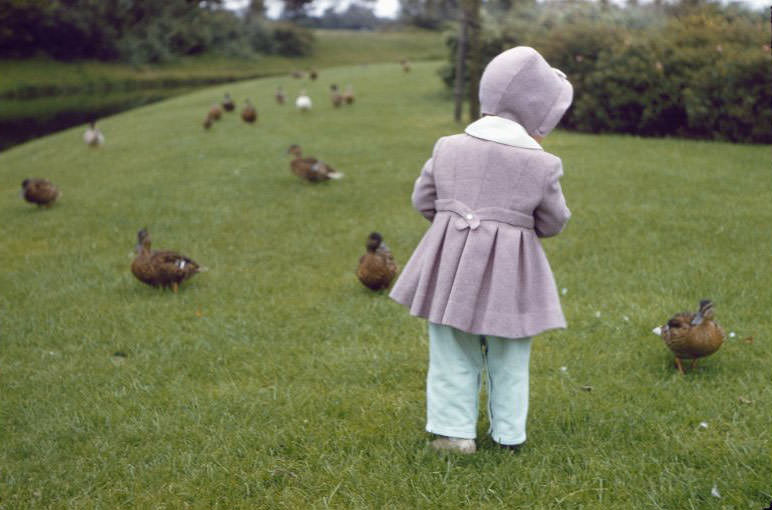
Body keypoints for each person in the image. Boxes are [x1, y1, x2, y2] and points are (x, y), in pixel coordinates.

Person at [389, 46, 573, 454]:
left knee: (451, 349)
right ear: (536, 114)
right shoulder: (543, 164)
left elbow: (424, 200)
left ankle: (454, 434)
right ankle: (509, 436)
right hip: (512, 277)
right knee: (510, 356)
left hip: (450, 270)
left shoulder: (447, 147)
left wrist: (456, 222)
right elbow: (554, 220)